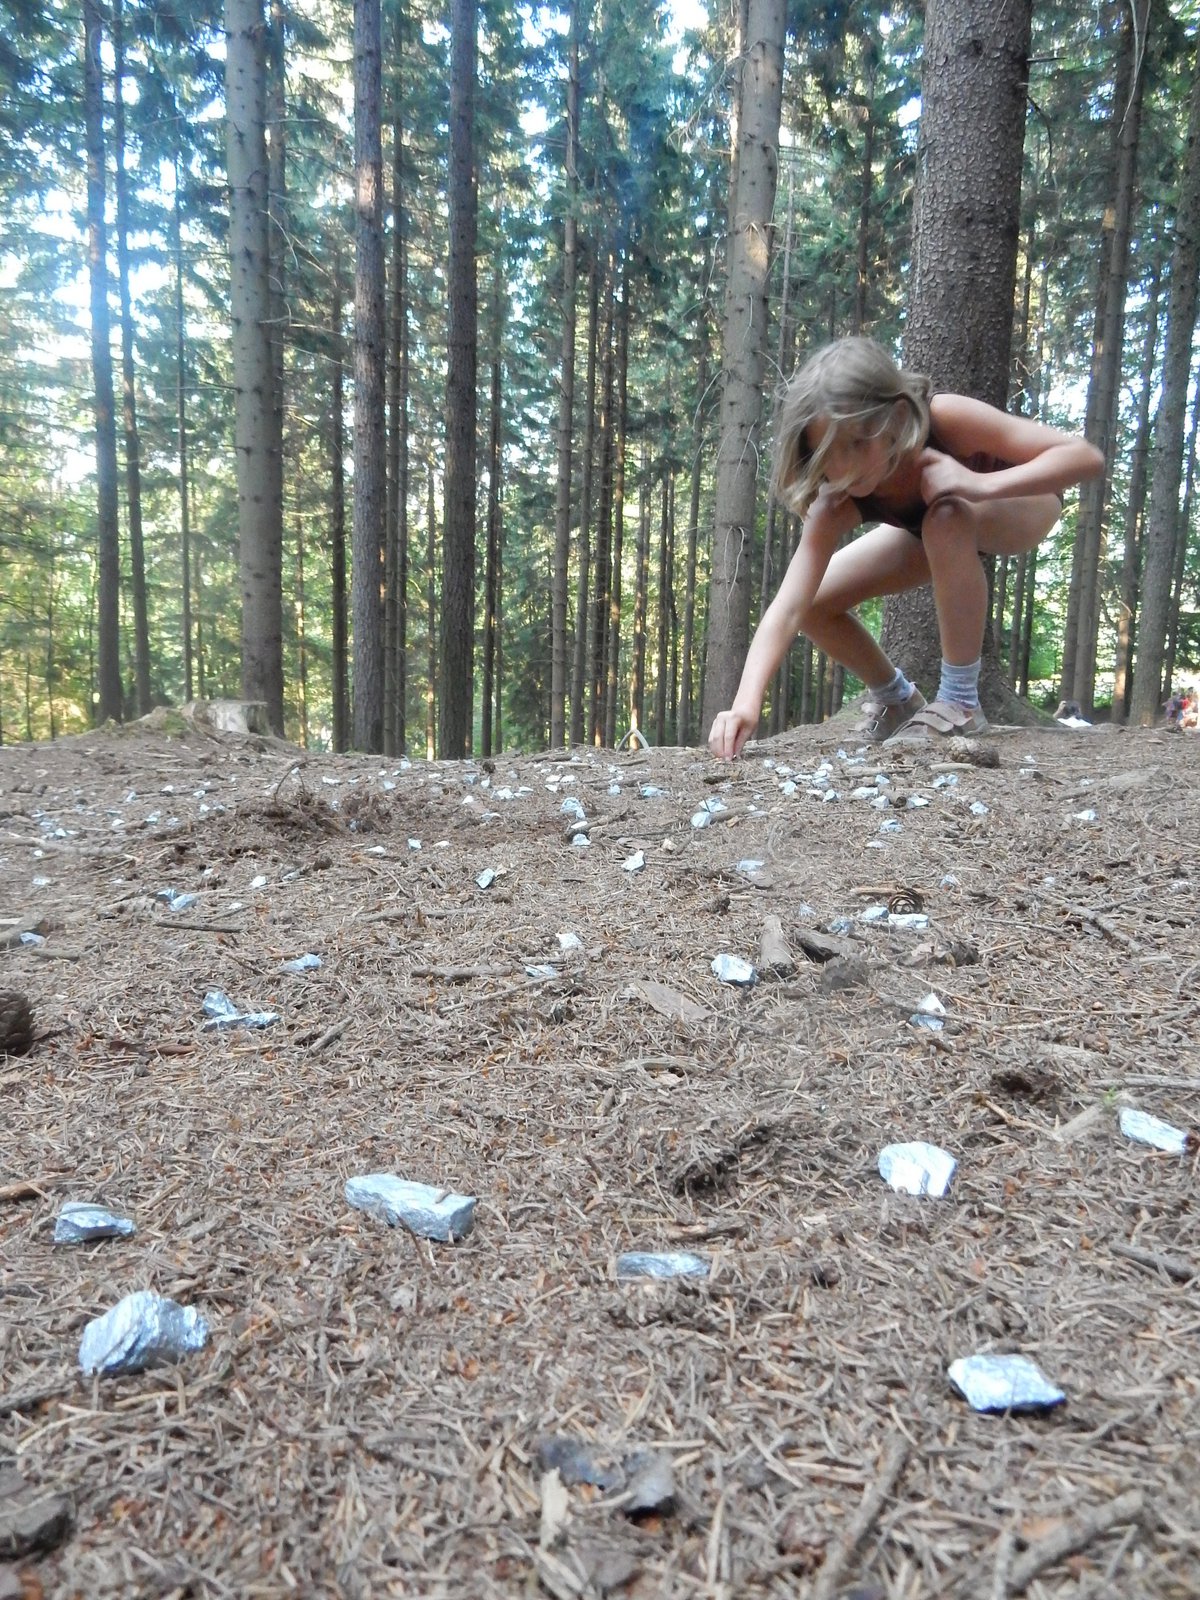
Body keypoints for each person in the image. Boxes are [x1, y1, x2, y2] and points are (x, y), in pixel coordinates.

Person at [708, 337, 1104, 757]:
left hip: (1021, 504)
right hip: (936, 528)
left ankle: (960, 700)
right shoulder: (837, 499)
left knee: (946, 515)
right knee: (815, 602)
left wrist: (977, 484)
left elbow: (1083, 457)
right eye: (828, 452)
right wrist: (745, 703)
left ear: (896, 417)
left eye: (858, 442)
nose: (845, 466)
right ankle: (897, 700)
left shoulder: (945, 418)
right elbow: (788, 606)